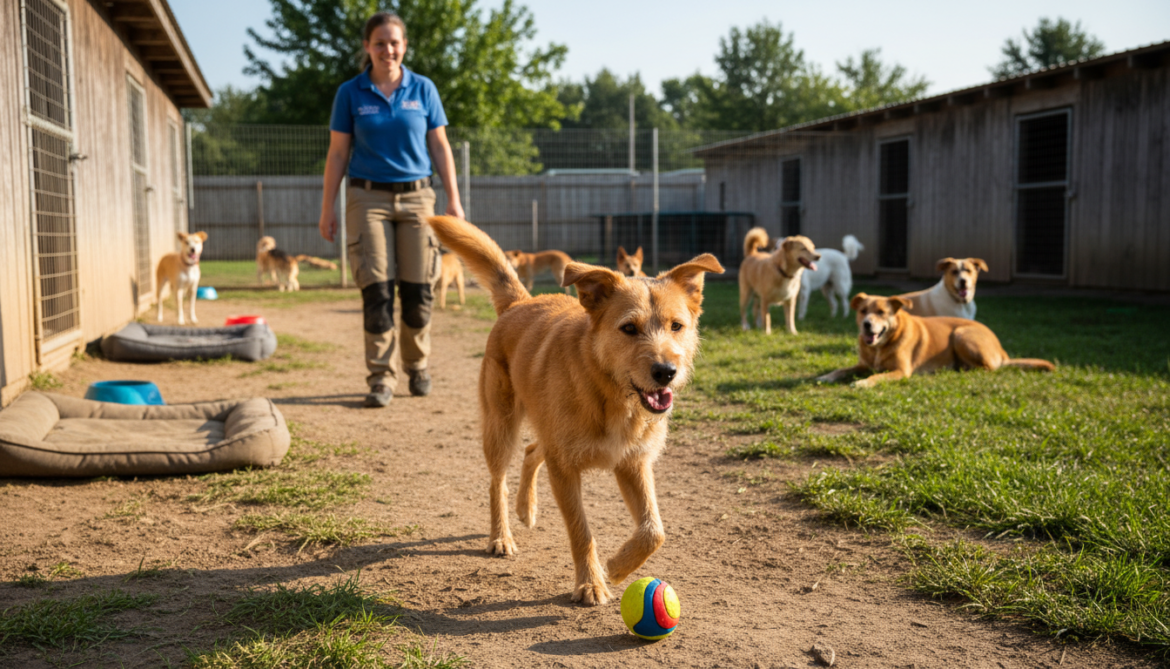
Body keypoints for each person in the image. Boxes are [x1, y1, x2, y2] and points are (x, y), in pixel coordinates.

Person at [319, 12, 464, 408]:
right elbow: (337, 154)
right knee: (377, 291)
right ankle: (381, 377)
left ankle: (417, 366)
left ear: (404, 46)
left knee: (419, 289)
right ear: (367, 47)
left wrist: (453, 198)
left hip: (419, 198)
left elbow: (439, 146)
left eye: (395, 42)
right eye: (380, 43)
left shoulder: (424, 89)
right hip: (367, 199)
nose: (388, 50)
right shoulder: (351, 93)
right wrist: (327, 207)